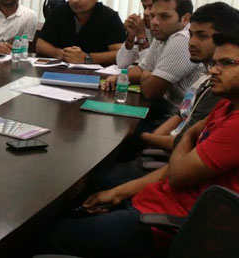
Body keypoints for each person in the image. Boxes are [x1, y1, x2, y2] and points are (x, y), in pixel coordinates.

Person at [43, 26, 239, 258]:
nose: (214, 70)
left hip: (166, 226)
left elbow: (178, 175)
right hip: (153, 203)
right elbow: (175, 168)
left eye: (227, 63)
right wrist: (119, 192)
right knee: (68, 211)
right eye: (215, 63)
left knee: (47, 236)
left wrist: (188, 135)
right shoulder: (226, 105)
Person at [95, 3, 238, 189]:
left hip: (173, 167)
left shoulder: (221, 91)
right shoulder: (206, 77)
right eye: (191, 35)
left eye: (202, 36)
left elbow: (184, 153)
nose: (191, 42)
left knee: (98, 175)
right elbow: (181, 115)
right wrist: (150, 138)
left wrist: (142, 137)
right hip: (168, 151)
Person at [102, 0, 201, 116]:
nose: (154, 22)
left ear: (185, 19)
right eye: (153, 16)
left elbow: (151, 91)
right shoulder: (163, 34)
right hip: (164, 110)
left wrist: (146, 75)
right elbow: (142, 69)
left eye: (164, 16)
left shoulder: (182, 38)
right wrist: (120, 78)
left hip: (177, 117)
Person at [36, 0, 125, 65]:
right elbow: (40, 45)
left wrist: (87, 58)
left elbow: (120, 54)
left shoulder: (110, 18)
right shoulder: (59, 11)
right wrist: (62, 54)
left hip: (97, 72)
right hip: (61, 69)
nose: (75, 0)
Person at [116, 0, 175, 68]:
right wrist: (130, 38)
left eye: (151, 7)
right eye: (144, 7)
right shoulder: (145, 28)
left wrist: (141, 37)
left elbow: (151, 68)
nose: (146, 12)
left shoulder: (173, 33)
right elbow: (121, 64)